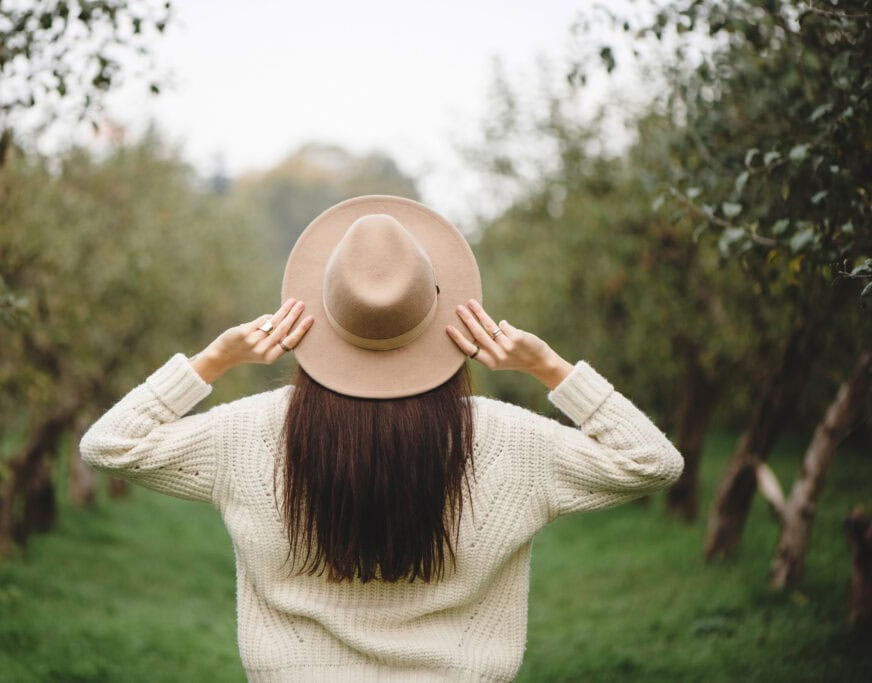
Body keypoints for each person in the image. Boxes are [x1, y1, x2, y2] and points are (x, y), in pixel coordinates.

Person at [79, 195, 684, 682]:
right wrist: (551, 367)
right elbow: (652, 462)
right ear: (446, 316)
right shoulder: (506, 440)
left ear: (317, 314)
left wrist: (212, 360)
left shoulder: (252, 432)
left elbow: (110, 445)